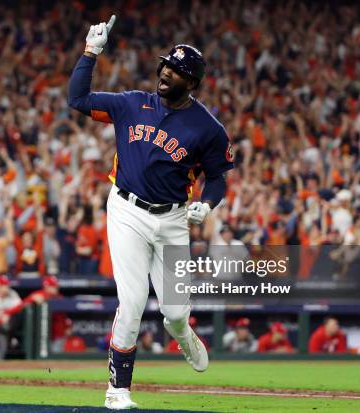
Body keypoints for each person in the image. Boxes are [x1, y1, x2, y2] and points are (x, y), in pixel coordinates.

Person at [68, 15, 233, 409]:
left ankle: (183, 334)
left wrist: (207, 205)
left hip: (175, 220)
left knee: (175, 311)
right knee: (134, 300)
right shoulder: (131, 103)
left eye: (176, 71)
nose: (166, 73)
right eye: (165, 65)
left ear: (191, 83)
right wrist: (90, 52)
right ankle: (117, 390)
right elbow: (78, 99)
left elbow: (219, 178)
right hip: (127, 211)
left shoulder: (208, 127)